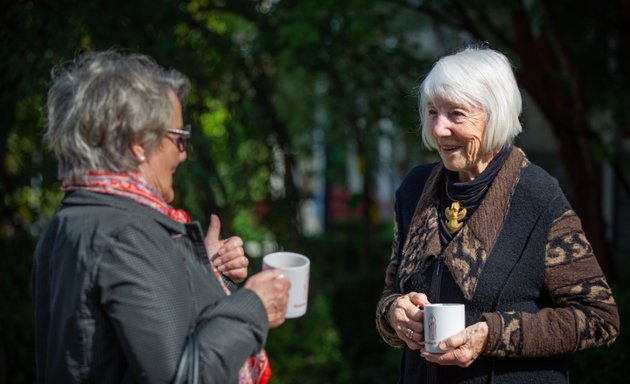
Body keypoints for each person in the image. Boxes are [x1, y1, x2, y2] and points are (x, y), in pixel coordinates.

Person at [32, 50, 291, 383]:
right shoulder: (126, 234)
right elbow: (182, 376)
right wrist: (253, 306)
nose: (182, 155)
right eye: (179, 138)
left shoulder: (73, 220)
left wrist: (204, 272)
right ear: (139, 144)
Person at [375, 46, 620, 384]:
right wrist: (393, 313)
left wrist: (493, 335)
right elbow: (391, 290)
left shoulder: (536, 196)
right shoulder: (415, 190)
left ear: (495, 115)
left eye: (456, 114)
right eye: (433, 112)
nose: (439, 129)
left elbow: (599, 317)